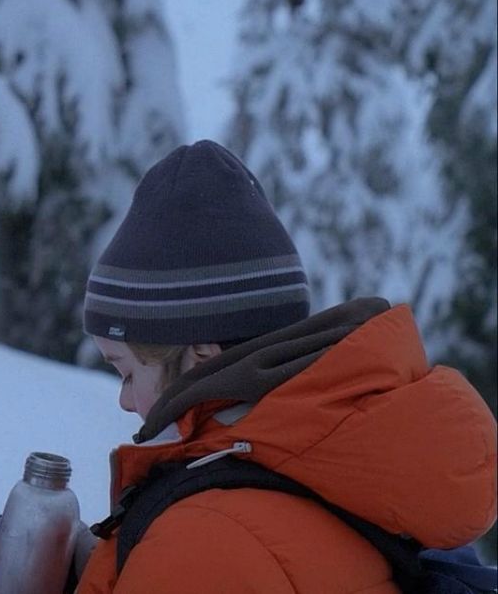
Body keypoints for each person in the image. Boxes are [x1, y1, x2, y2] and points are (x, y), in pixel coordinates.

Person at [73, 140, 497, 593]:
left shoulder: (202, 539)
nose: (123, 400)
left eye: (127, 372)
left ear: (200, 355)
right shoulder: (330, 473)